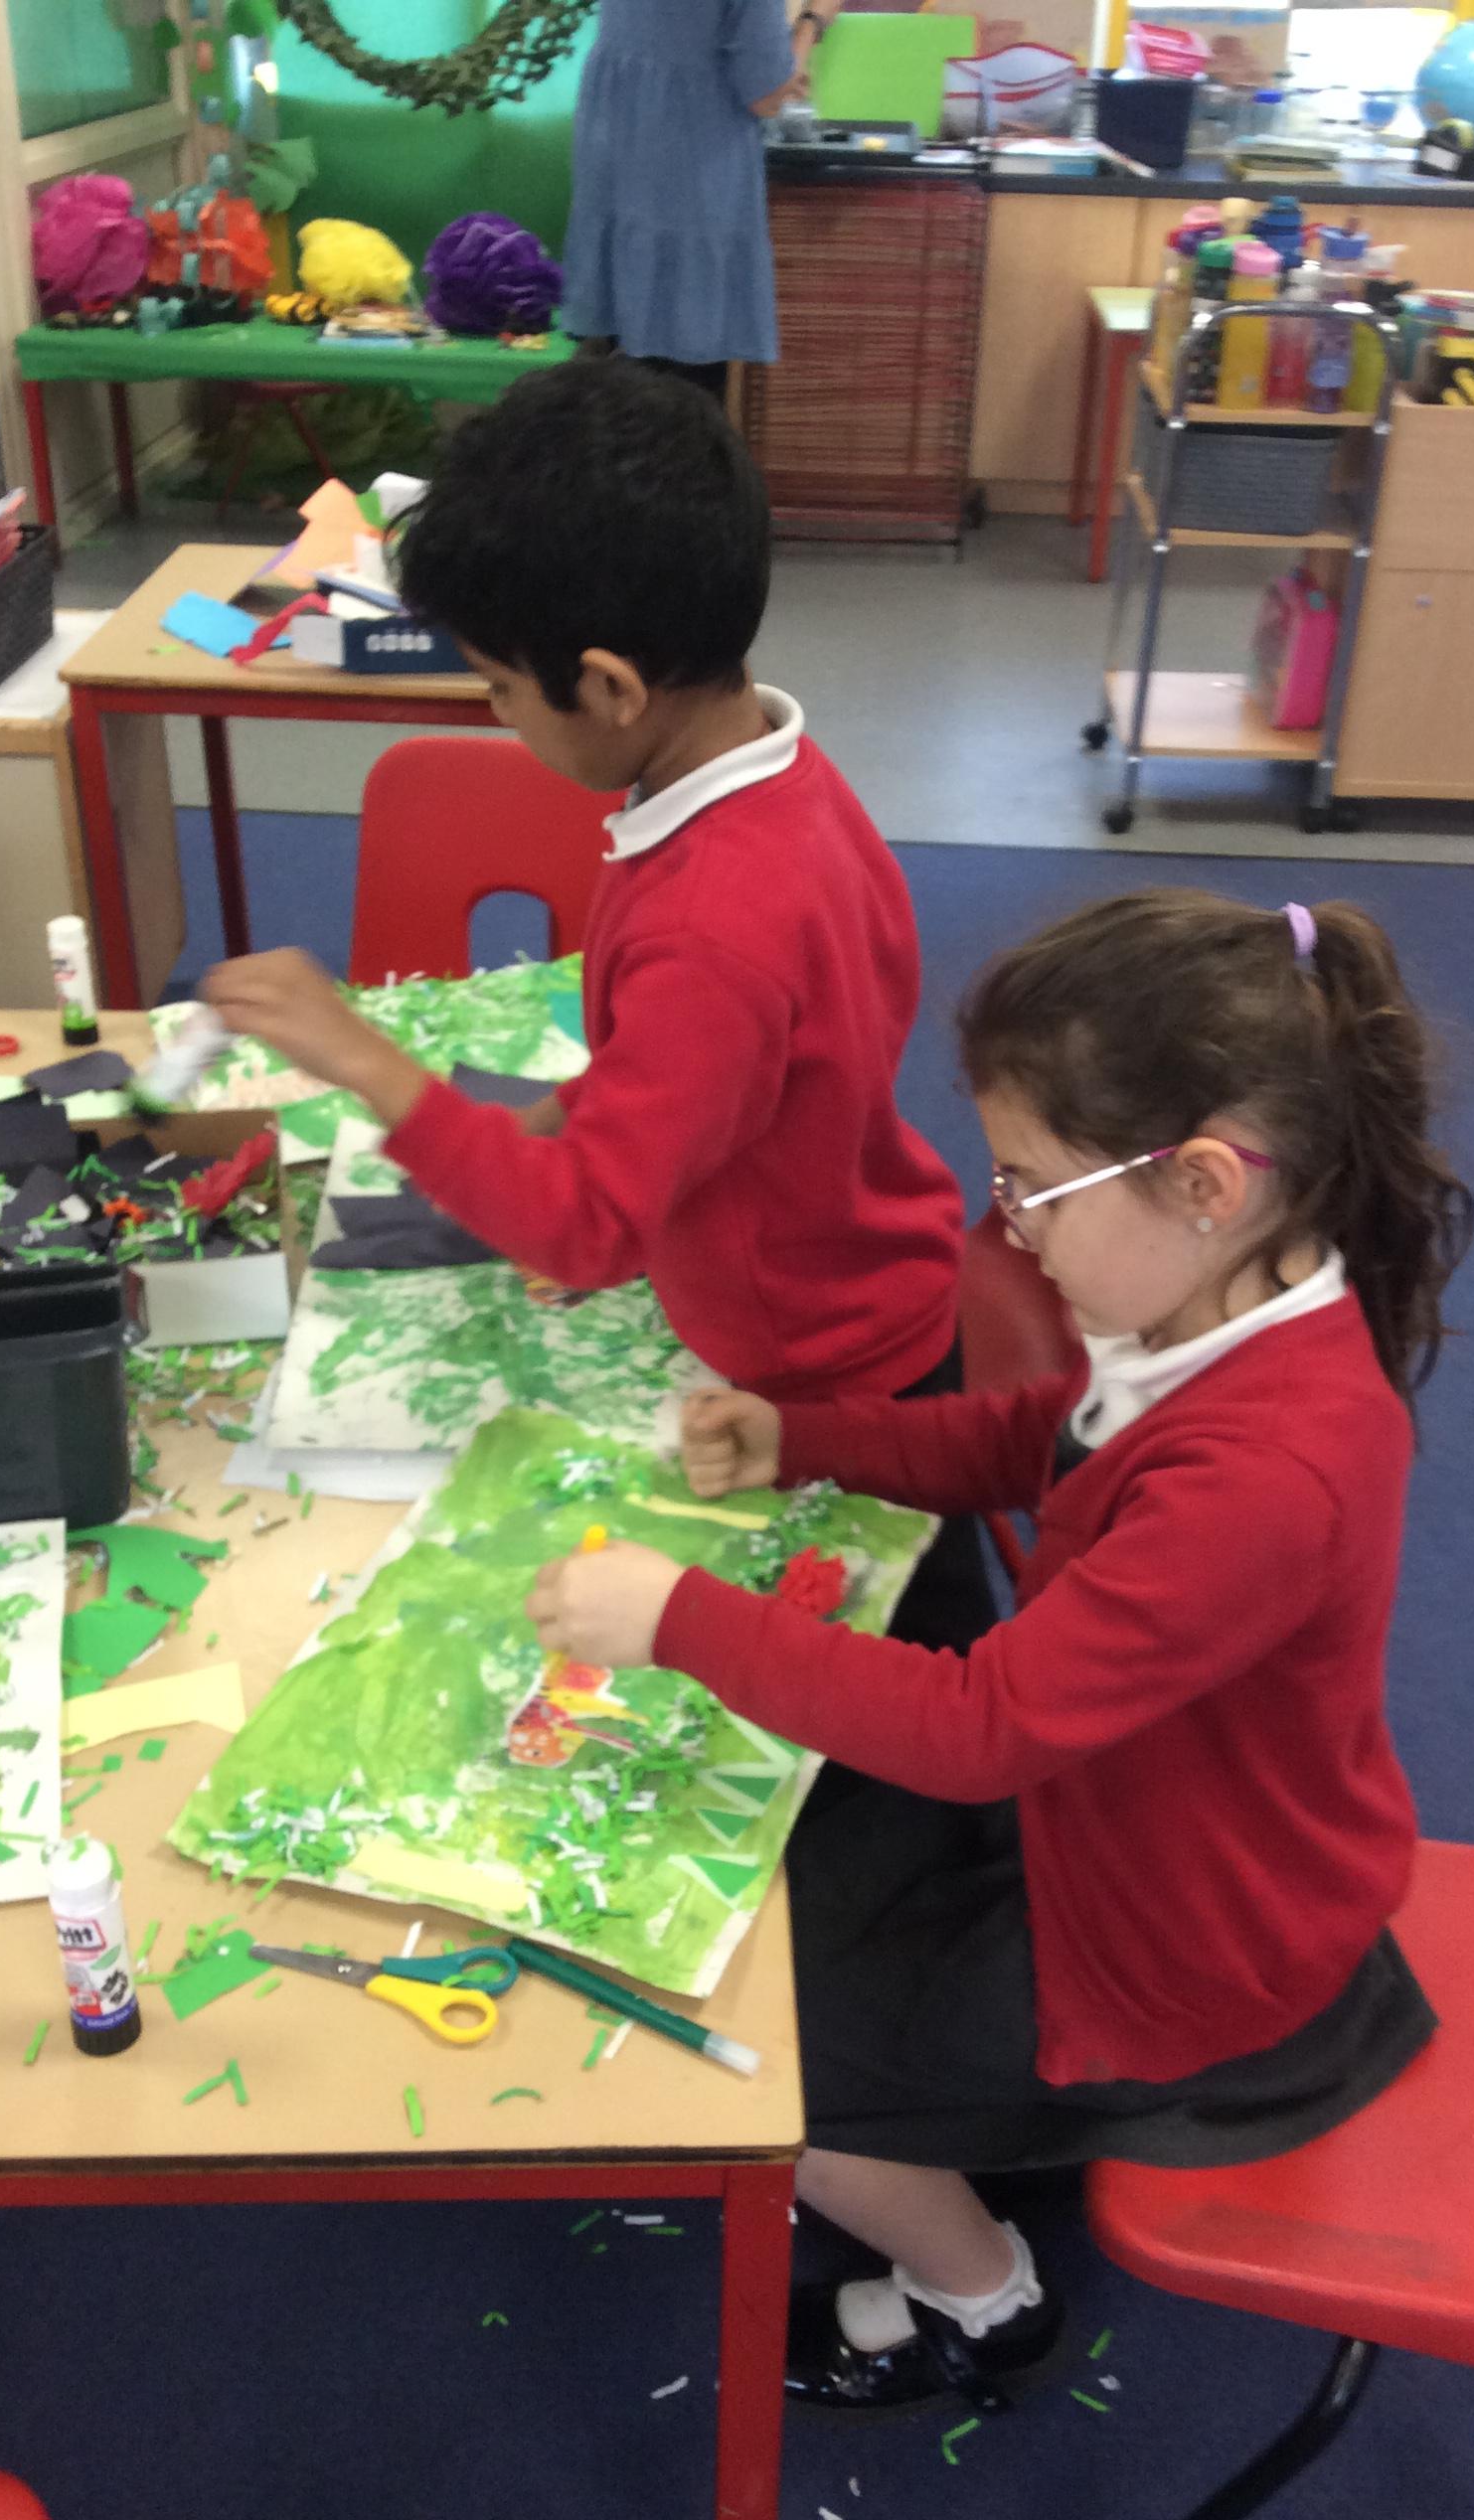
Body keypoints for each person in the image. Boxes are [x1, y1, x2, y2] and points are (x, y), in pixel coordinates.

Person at [526, 887, 1474, 2413]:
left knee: (742, 2049)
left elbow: (985, 1729)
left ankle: (981, 2302)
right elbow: (1047, 1438)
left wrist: (677, 1618)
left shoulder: (1269, 1473)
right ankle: (979, 2131)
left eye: (1034, 1189)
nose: (1010, 1228)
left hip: (1180, 1945)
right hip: (1127, 1822)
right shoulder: (1228, 1302)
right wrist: (808, 1441)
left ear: (1205, 1184)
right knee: (789, 1870)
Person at [203, 357, 989, 1654]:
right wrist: (581, 1124)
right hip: (850, 1293)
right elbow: (733, 1072)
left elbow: (583, 1237)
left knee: (889, 1705)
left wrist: (364, 1058)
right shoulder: (768, 776)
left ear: (613, 688)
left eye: (501, 688)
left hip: (827, 1380)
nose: (496, 713)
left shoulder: (714, 919)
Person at [562, 0, 844, 402]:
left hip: (618, 173)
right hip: (690, 182)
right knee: (683, 390)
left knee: (618, 386)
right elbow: (767, 95)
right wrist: (813, 23)